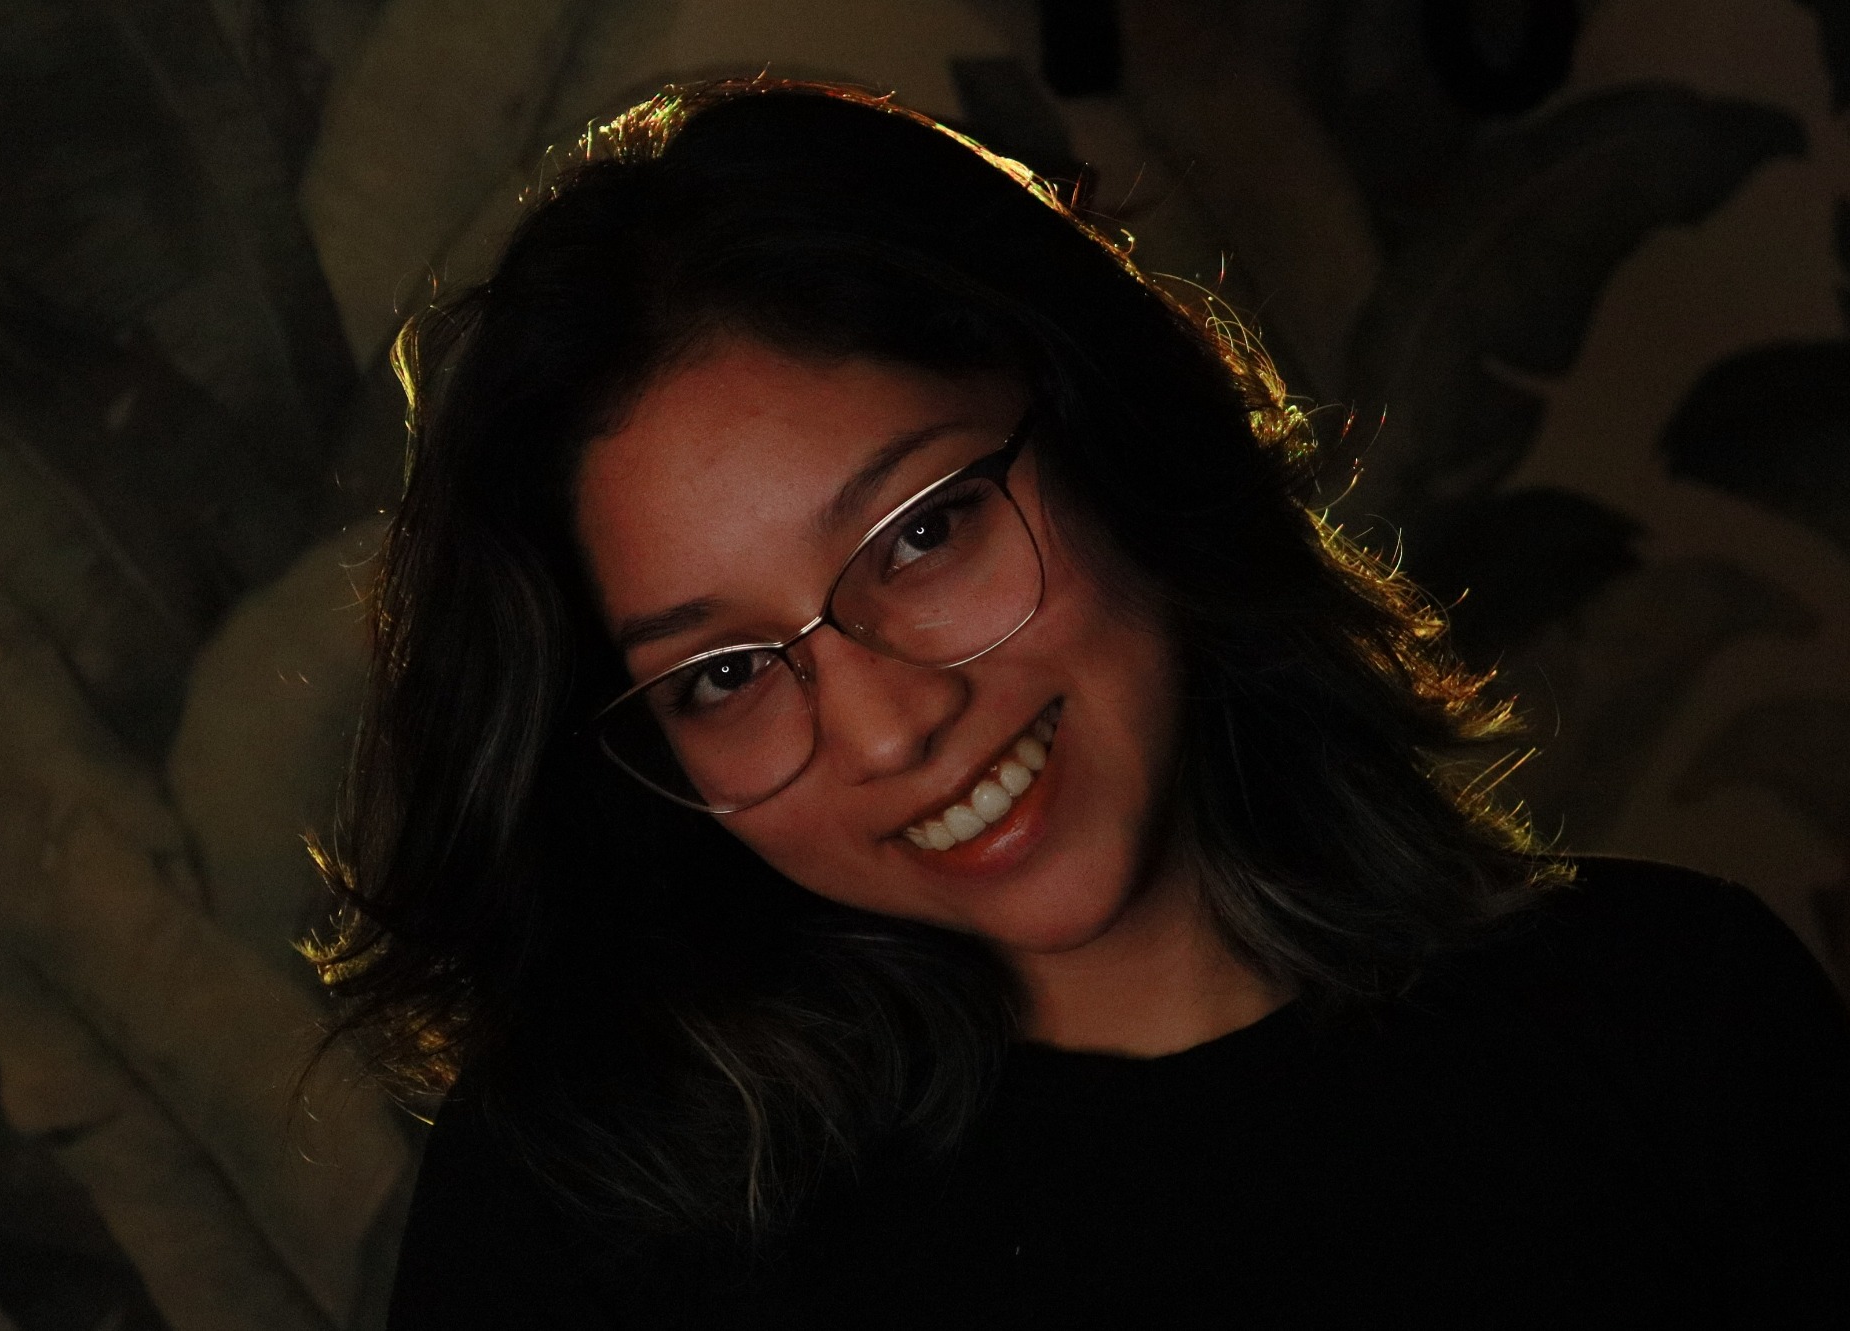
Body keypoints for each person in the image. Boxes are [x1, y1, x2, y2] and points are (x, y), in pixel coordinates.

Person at [313, 79, 1850, 1327]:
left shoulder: (1676, 1026)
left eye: (923, 534)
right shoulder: (593, 1216)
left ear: (1111, 433)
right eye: (722, 675)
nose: (888, 727)